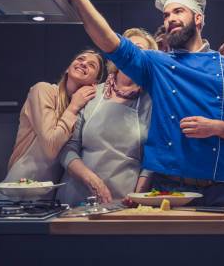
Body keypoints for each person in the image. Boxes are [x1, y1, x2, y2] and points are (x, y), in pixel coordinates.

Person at [62, 0, 224, 206]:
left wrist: (216, 127)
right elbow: (108, 40)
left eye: (178, 11)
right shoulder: (157, 64)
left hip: (219, 191)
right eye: (166, 15)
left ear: (198, 18)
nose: (170, 20)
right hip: (165, 188)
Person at [57, 29, 157, 205]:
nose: (132, 53)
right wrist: (91, 180)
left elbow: (152, 158)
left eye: (139, 50)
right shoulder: (91, 94)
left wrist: (138, 195)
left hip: (123, 201)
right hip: (77, 197)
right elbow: (67, 149)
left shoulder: (151, 102)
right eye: (127, 48)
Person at [0, 50, 105, 200]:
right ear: (67, 68)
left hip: (48, 200)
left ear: (95, 83)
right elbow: (50, 147)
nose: (83, 63)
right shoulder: (43, 90)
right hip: (15, 194)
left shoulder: (84, 111)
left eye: (91, 65)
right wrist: (73, 106)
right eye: (80, 59)